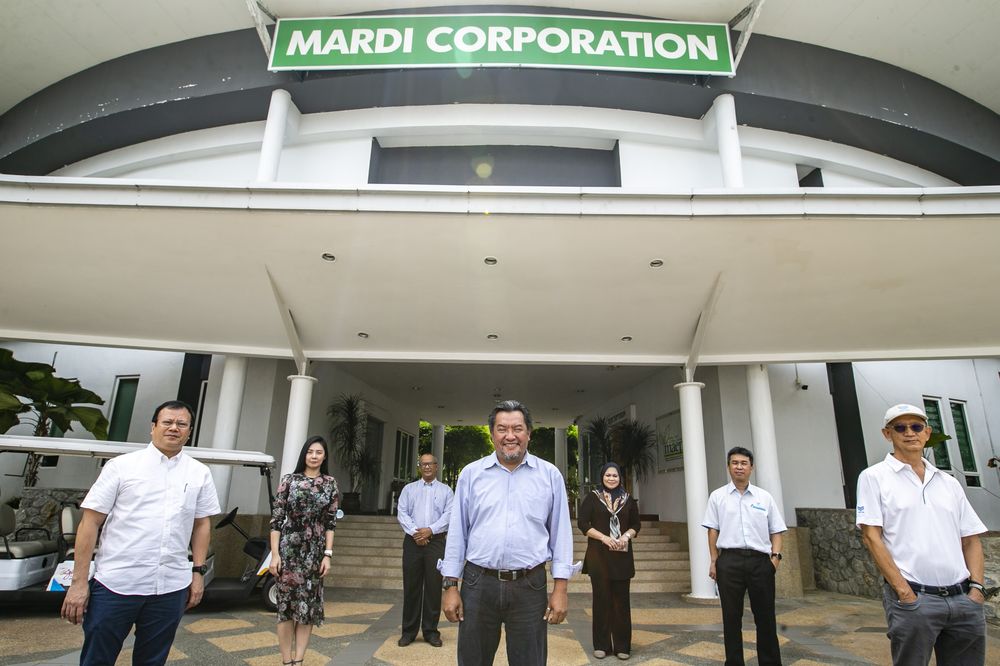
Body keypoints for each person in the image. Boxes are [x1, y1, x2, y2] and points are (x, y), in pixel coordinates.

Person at [60, 400, 221, 666]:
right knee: (97, 658)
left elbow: (202, 524)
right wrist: (79, 583)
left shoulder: (199, 472)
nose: (174, 428)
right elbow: (90, 523)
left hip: (170, 586)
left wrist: (198, 573)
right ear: (153, 427)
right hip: (116, 584)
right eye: (167, 422)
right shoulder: (121, 466)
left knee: (152, 660)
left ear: (189, 431)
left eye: (181, 424)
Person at [440, 399, 574, 665]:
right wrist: (450, 586)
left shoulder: (549, 476)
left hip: (530, 585)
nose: (510, 436)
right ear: (492, 434)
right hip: (478, 584)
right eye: (502, 429)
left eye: (517, 428)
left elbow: (561, 534)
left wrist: (561, 588)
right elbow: (457, 534)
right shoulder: (471, 474)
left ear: (529, 433)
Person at [856, 403, 987, 666]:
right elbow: (871, 537)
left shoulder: (948, 482)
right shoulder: (874, 477)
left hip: (963, 599)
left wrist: (977, 590)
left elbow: (970, 538)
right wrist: (904, 592)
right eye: (900, 427)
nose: (909, 433)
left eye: (916, 427)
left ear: (927, 432)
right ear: (887, 433)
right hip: (915, 600)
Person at [702, 446, 786, 666]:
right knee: (731, 619)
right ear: (729, 466)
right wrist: (714, 560)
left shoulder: (764, 497)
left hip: (761, 563)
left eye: (743, 463)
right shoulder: (718, 496)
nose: (739, 467)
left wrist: (774, 559)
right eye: (734, 463)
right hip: (729, 562)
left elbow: (776, 530)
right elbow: (712, 530)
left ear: (751, 467)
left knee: (766, 619)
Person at [269, 436, 340, 666]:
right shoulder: (289, 480)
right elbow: (276, 521)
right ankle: (286, 661)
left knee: (307, 610)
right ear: (304, 454)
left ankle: (299, 660)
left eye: (319, 452)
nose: (314, 456)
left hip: (315, 554)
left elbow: (330, 523)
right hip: (289, 551)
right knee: (286, 609)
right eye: (310, 452)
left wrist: (327, 555)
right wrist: (275, 555)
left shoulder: (330, 483)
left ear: (324, 456)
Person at [578, 461, 641, 661]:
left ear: (620, 478)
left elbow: (636, 525)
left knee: (621, 603)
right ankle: (602, 645)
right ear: (602, 477)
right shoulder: (593, 498)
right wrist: (604, 538)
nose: (611, 478)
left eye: (615, 475)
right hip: (599, 556)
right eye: (608, 475)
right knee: (602, 601)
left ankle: (622, 646)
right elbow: (583, 523)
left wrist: (625, 537)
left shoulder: (628, 499)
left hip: (621, 557)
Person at [396, 453, 454, 647]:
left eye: (431, 464)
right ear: (419, 467)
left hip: (436, 542)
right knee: (411, 587)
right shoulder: (408, 489)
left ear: (437, 467)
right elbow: (402, 512)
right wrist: (416, 533)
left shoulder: (446, 491)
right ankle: (409, 632)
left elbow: (449, 515)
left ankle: (431, 631)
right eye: (423, 464)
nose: (427, 467)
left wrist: (430, 531)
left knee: (433, 587)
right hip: (413, 542)